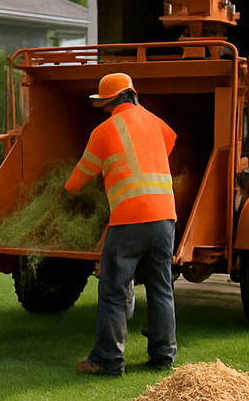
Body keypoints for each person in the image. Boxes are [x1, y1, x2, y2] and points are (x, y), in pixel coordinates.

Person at [64, 72, 178, 376]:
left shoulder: (103, 131)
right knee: (161, 288)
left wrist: (62, 189)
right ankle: (163, 356)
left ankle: (108, 360)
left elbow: (78, 180)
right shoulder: (157, 123)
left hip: (129, 220)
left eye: (103, 105)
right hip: (166, 217)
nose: (103, 110)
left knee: (113, 290)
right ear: (133, 95)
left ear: (110, 102)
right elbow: (171, 141)